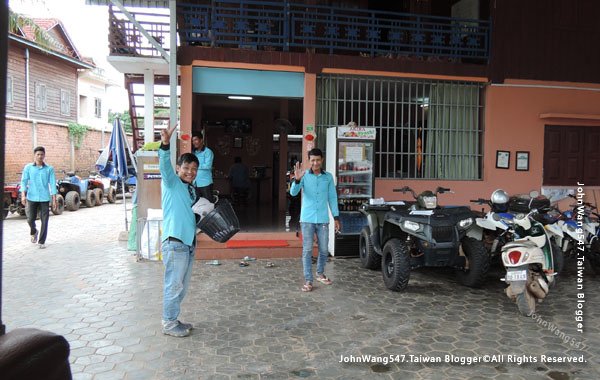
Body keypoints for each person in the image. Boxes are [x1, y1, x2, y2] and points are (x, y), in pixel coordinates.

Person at [159, 124, 199, 337]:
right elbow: (164, 166)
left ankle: (173, 319)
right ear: (178, 168)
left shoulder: (190, 189)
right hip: (175, 243)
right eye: (186, 168)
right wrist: (165, 145)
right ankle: (168, 323)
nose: (190, 172)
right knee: (173, 286)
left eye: (194, 169)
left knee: (180, 287)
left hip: (188, 243)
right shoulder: (172, 182)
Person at [290, 148, 341, 292]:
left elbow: (332, 198)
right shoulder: (304, 175)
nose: (315, 162)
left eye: (318, 159)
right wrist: (297, 179)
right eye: (312, 160)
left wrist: (336, 217)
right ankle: (308, 280)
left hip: (323, 219)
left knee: (324, 249)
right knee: (307, 250)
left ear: (322, 160)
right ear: (309, 160)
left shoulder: (328, 177)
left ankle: (319, 273)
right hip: (307, 219)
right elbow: (293, 193)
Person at [20, 146, 57, 249]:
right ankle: (33, 231)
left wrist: (54, 199)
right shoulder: (28, 167)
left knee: (45, 220)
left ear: (44, 155)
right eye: (38, 154)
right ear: (34, 155)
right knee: (30, 219)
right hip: (31, 197)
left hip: (45, 198)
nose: (40, 156)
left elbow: (53, 184)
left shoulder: (49, 169)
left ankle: (41, 241)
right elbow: (24, 181)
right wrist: (23, 195)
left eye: (42, 154)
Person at [191, 133, 214, 202]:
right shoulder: (194, 152)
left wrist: (194, 166)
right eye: (192, 141)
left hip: (205, 183)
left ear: (201, 140)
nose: (194, 142)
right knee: (197, 204)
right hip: (195, 183)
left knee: (208, 204)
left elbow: (208, 166)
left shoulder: (208, 152)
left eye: (196, 140)